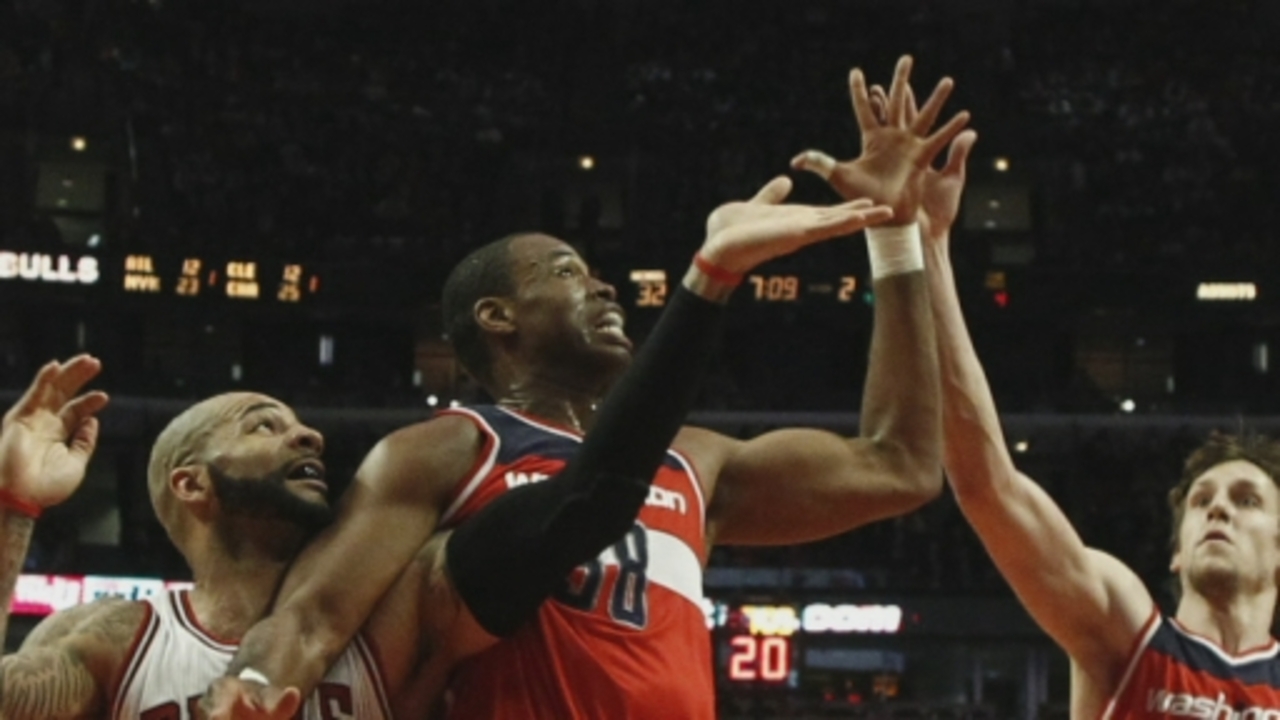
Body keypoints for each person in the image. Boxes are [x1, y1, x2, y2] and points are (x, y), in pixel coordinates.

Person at [207, 54, 965, 719]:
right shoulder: (447, 449)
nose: (603, 289)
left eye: (597, 275)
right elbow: (311, 617)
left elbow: (900, 465)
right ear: (497, 316)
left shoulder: (695, 459)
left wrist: (894, 233)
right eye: (567, 273)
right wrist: (253, 685)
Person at [0, 174, 890, 719]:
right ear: (190, 484)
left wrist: (713, 283)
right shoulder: (117, 638)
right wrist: (13, 507)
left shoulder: (404, 611)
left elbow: (586, 502)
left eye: (298, 419)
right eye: (262, 423)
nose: (306, 429)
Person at [797, 76, 1280, 719]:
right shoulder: (1127, 629)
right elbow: (988, 485)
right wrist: (921, 243)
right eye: (1201, 500)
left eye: (1247, 501)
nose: (1218, 511)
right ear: (1176, 547)